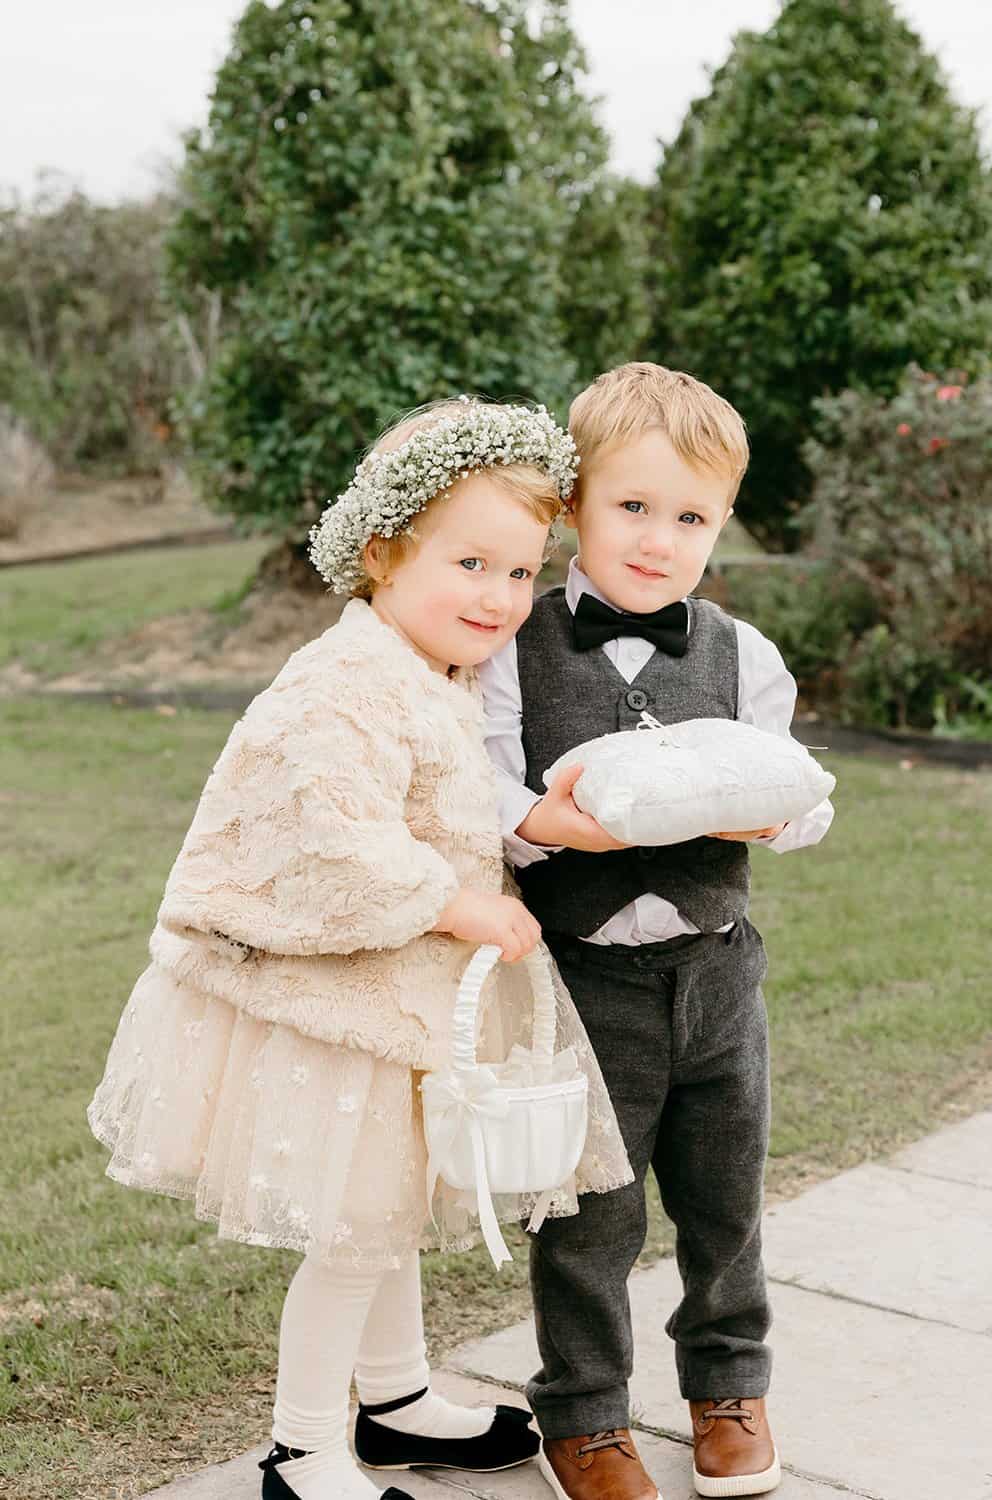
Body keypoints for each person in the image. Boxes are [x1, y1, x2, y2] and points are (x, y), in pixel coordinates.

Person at [88, 398, 632, 1500]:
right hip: (336, 1007)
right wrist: (457, 903)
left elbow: (453, 798)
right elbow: (330, 833)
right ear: (381, 554)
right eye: (470, 562)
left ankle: (392, 1397)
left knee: (385, 1213)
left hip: (398, 1003)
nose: (498, 596)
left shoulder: (429, 669)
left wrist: (527, 827)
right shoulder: (341, 684)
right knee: (353, 1229)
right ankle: (301, 1447)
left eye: (520, 573)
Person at [479, 364, 835, 1500]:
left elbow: (800, 795)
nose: (657, 538)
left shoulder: (744, 656)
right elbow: (480, 793)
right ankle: (582, 1415)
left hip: (718, 974)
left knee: (724, 1198)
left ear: (719, 525)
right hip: (582, 984)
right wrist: (557, 828)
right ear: (575, 505)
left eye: (690, 517)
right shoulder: (512, 651)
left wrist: (774, 813)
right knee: (588, 1211)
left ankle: (728, 1387)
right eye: (633, 506)